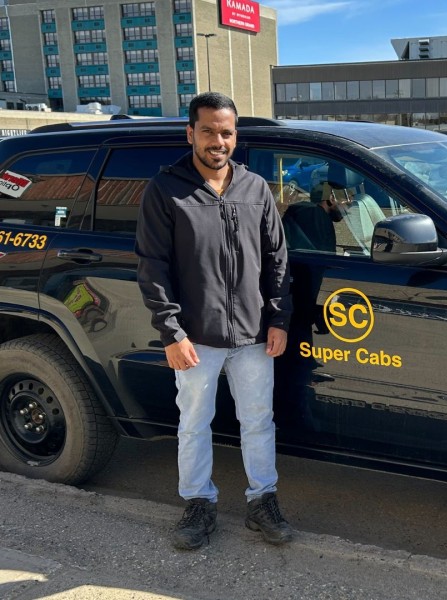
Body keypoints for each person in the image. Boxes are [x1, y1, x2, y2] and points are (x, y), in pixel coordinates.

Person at [135, 91, 293, 551]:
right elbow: (152, 266)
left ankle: (262, 500)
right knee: (194, 423)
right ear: (191, 133)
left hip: (254, 335)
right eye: (207, 131)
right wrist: (171, 333)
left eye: (225, 132)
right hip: (195, 336)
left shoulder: (255, 188)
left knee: (258, 421)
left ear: (235, 136)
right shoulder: (165, 189)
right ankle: (198, 503)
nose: (217, 141)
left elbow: (277, 260)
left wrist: (279, 318)